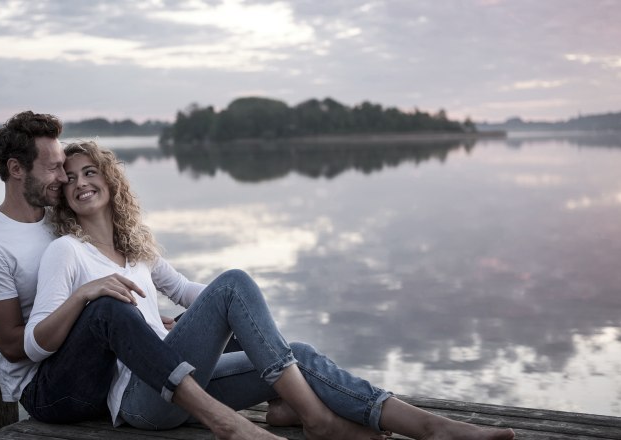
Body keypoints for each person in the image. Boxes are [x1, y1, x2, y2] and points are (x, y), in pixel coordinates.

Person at [26, 140, 517, 440]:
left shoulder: (138, 253)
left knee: (293, 351)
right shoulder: (67, 253)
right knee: (235, 283)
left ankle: (432, 428)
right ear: (64, 197)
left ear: (111, 180)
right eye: (70, 179)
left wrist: (251, 323)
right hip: (140, 400)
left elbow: (190, 293)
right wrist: (85, 294)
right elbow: (36, 341)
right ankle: (314, 420)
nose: (81, 182)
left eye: (91, 171)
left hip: (184, 388)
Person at [0, 111, 290, 440]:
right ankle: (222, 420)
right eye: (54, 167)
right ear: (16, 169)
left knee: (215, 316)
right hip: (52, 390)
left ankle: (285, 400)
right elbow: (15, 347)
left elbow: (99, 271)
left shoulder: (56, 220)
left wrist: (143, 321)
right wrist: (101, 308)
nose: (63, 177)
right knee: (108, 310)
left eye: (65, 166)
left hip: (107, 367)